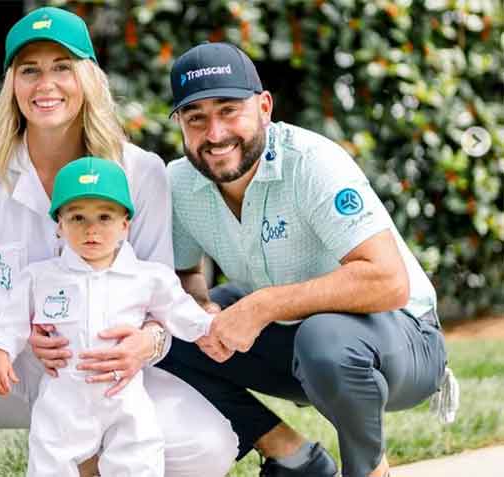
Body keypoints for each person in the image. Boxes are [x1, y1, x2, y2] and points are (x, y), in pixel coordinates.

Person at [0, 8, 237, 477]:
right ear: (12, 84)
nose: (45, 84)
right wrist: (22, 326)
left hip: (104, 375)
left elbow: (159, 296)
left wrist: (146, 344)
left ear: (88, 77)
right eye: (30, 70)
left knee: (210, 446)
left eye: (61, 67)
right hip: (3, 369)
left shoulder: (140, 171)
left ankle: (83, 462)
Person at [158, 42, 453, 477]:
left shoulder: (312, 163)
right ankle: (292, 457)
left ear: (263, 107)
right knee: (166, 333)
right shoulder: (180, 181)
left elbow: (389, 282)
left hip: (403, 342)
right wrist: (200, 308)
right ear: (180, 124)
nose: (215, 134)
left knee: (325, 340)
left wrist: (261, 306)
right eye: (196, 118)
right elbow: (185, 274)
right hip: (296, 342)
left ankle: (370, 471)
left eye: (228, 110)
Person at [0, 156, 216, 476]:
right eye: (77, 217)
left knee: (140, 451)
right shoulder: (40, 277)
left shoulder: (147, 276)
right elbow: (13, 321)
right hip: (63, 394)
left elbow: (178, 308)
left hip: (123, 394)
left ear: (125, 224)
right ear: (59, 224)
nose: (91, 229)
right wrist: (1, 354)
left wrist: (208, 329)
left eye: (105, 217)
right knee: (49, 453)